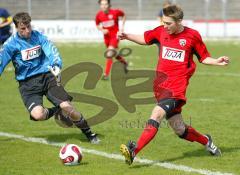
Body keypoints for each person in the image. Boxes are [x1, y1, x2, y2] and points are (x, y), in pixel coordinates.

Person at [119, 4, 229, 165]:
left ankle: (133, 152)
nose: (165, 26)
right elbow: (145, 38)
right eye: (164, 22)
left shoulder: (192, 36)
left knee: (156, 114)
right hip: (161, 88)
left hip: (176, 89)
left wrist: (217, 61)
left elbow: (204, 57)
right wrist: (127, 36)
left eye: (168, 23)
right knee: (180, 130)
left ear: (179, 21)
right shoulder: (161, 31)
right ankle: (207, 141)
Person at [0, 12, 100, 144]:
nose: (28, 30)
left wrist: (56, 65)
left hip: (47, 77)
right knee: (38, 115)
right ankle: (57, 110)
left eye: (29, 26)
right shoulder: (10, 45)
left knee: (68, 107)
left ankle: (89, 134)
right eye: (23, 28)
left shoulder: (39, 36)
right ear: (16, 28)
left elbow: (52, 51)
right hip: (27, 84)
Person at [95, 0, 128, 80]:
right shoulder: (99, 15)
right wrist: (102, 30)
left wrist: (122, 27)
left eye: (105, 4)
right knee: (114, 54)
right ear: (100, 5)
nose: (104, 6)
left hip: (115, 36)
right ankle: (124, 63)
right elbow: (97, 24)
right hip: (107, 38)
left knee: (109, 53)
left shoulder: (115, 12)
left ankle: (106, 74)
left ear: (109, 5)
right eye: (102, 4)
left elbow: (123, 15)